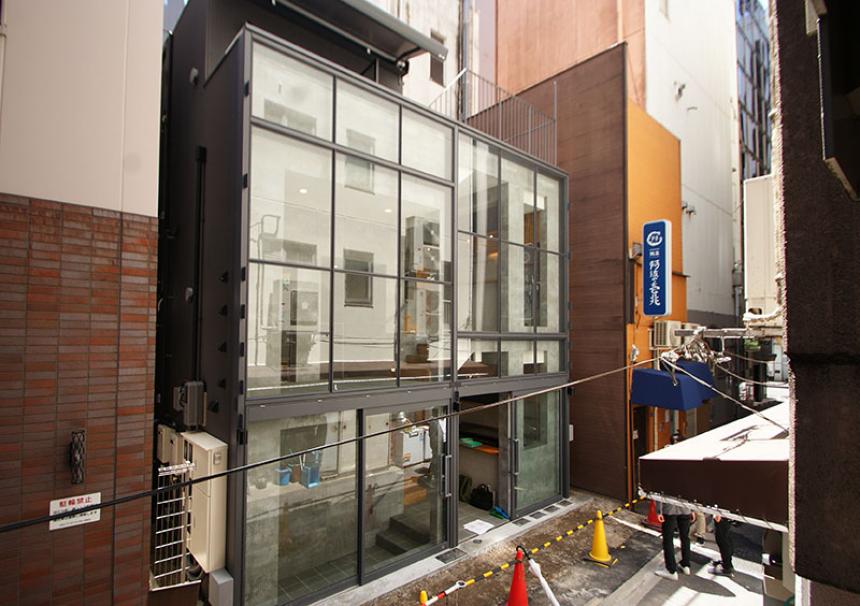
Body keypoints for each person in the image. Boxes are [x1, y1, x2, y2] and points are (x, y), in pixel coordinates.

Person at [654, 501, 696, 580]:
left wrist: (659, 511)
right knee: (685, 537)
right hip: (686, 507)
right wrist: (693, 509)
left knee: (668, 539)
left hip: (669, 508)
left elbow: (659, 495)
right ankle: (685, 565)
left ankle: (671, 570)